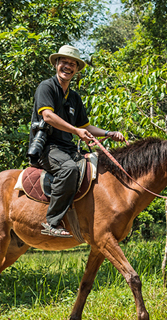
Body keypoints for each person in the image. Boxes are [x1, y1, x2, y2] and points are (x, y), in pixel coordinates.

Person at [28, 45, 125, 238]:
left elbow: (86, 127)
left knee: (98, 167)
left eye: (72, 64)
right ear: (56, 64)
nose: (68, 66)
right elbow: (48, 116)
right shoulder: (46, 87)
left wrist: (108, 133)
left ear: (76, 70)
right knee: (69, 169)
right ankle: (52, 221)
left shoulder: (74, 97)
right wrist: (75, 131)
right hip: (47, 149)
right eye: (64, 62)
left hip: (67, 149)